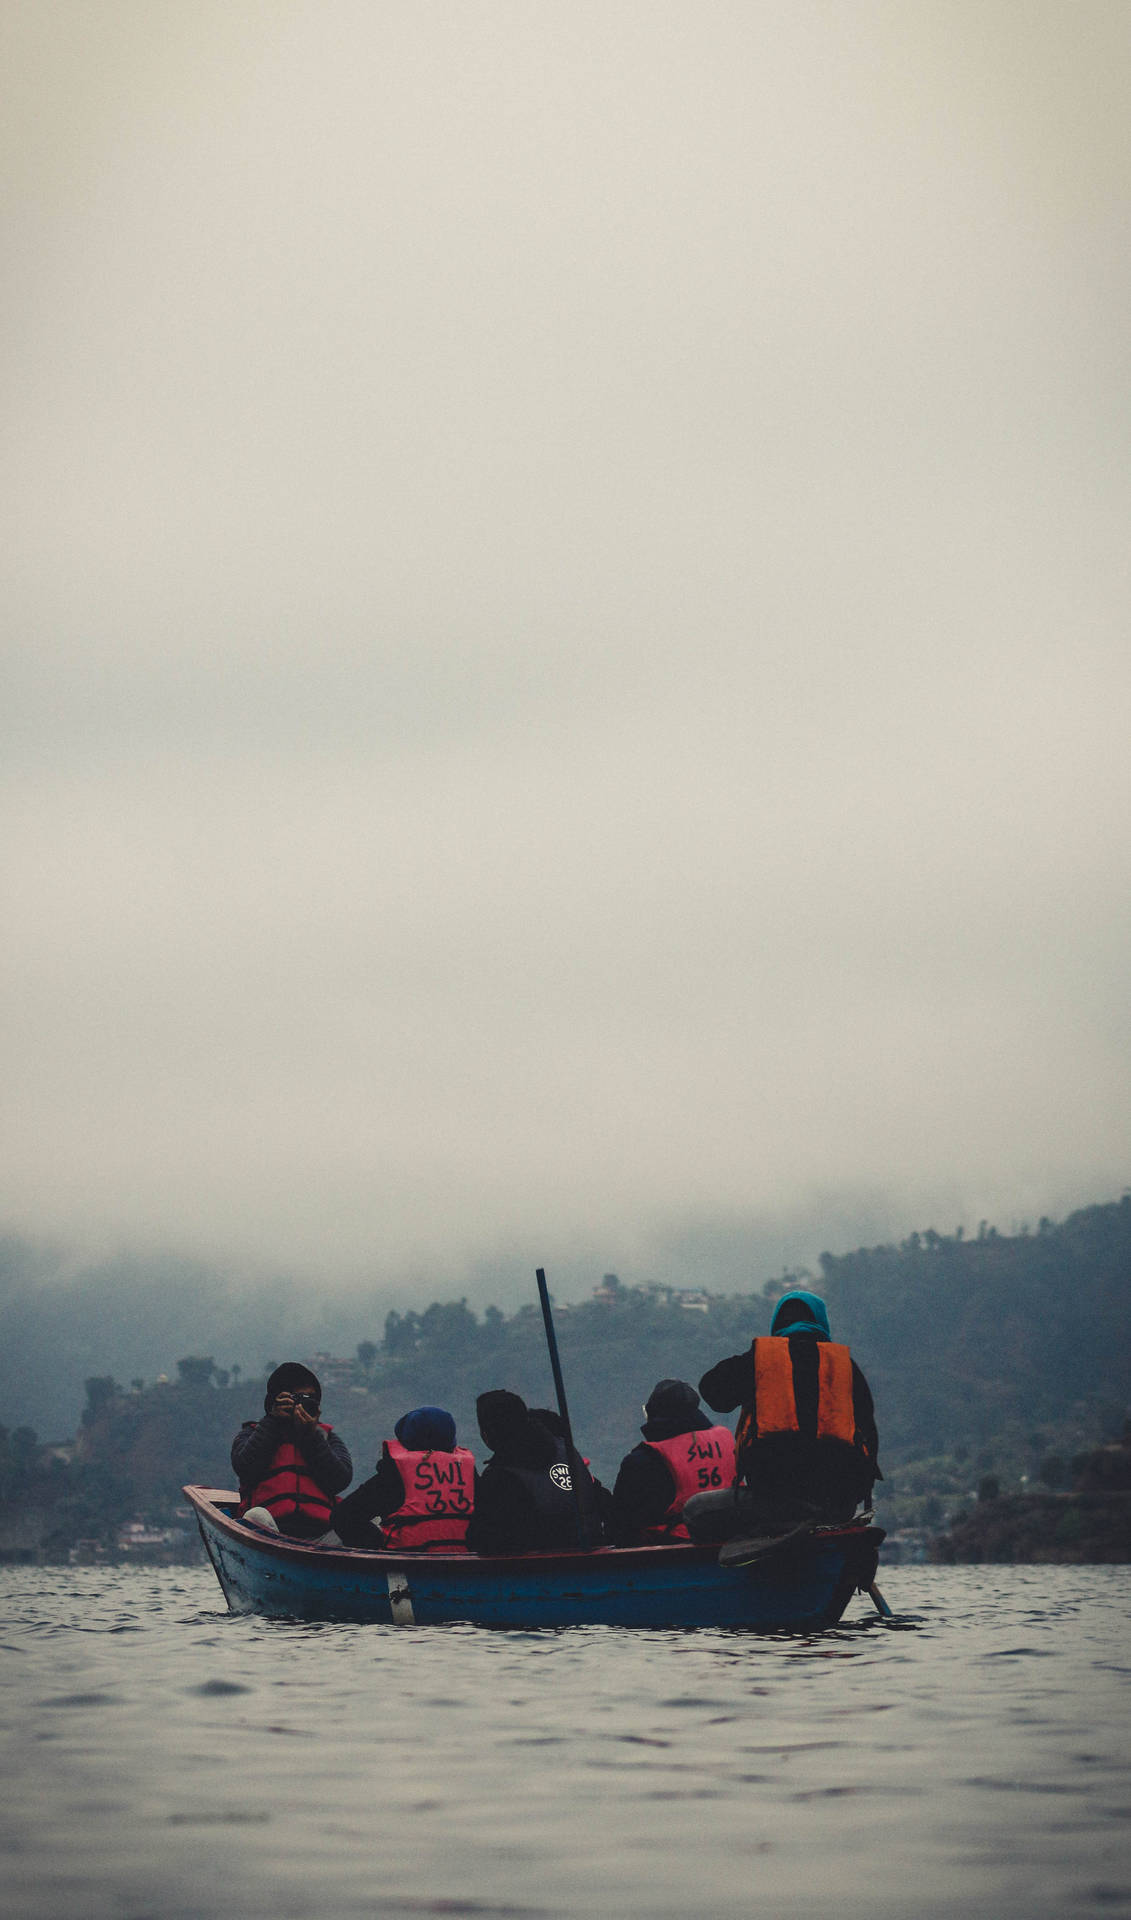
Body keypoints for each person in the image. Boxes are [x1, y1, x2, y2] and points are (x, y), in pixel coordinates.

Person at [696, 1290, 879, 1528]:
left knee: (695, 1510)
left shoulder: (760, 1360)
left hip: (772, 1503)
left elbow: (712, 1393)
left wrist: (749, 1360)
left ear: (777, 1323)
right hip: (837, 1506)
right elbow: (870, 1442)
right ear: (820, 1322)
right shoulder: (847, 1368)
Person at [466, 1390, 606, 1554]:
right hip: (590, 1559)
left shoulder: (499, 1476)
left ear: (487, 1433)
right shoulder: (566, 1449)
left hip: (538, 1570)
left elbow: (483, 1542)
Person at [232, 1363, 353, 1539]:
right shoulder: (252, 1433)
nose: (302, 1404)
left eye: (310, 1398)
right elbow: (245, 1469)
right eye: (296, 1398)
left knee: (369, 1521)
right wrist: (272, 1421)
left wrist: (311, 1436)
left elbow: (340, 1481)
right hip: (270, 1532)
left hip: (322, 1537)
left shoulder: (327, 1438)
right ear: (276, 1399)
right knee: (255, 1515)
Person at [332, 1406, 475, 1551]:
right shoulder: (468, 1473)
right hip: (464, 1564)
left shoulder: (394, 1475)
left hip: (409, 1564)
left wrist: (378, 1545)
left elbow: (343, 1517)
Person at [611, 1378, 736, 1543]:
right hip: (733, 1535)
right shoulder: (728, 1442)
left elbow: (621, 1520)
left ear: (652, 1413)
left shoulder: (643, 1460)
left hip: (676, 1547)